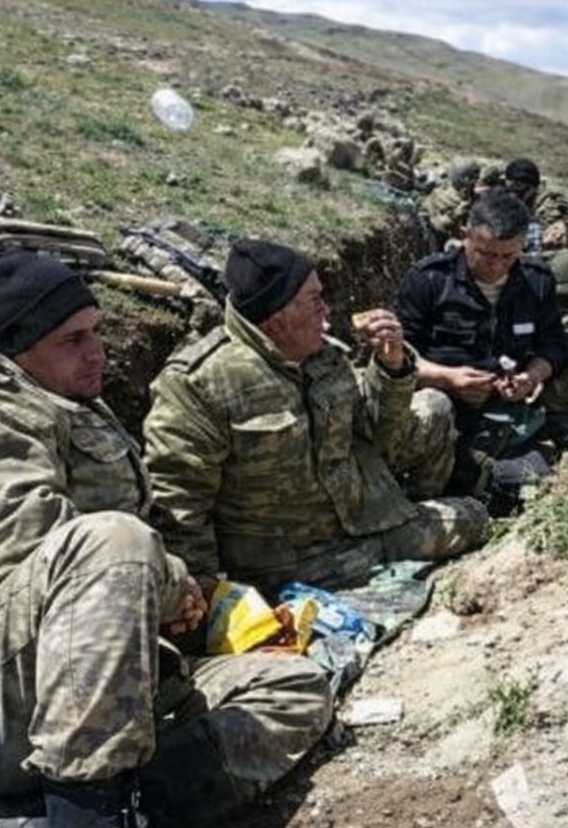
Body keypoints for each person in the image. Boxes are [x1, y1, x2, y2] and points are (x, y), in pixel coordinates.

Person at [0, 252, 333, 828]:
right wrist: (167, 578)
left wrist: (196, 596)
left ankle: (97, 817)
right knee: (113, 541)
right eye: (72, 340)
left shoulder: (66, 399)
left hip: (76, 689)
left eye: (96, 332)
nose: (97, 354)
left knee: (295, 689)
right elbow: (25, 546)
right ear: (17, 347)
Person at [142, 238, 489, 595]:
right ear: (277, 318)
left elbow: (377, 433)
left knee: (473, 513)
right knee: (472, 521)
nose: (326, 310)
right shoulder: (200, 383)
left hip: (360, 523)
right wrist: (205, 589)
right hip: (287, 565)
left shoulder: (322, 355)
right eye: (314, 301)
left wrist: (390, 366)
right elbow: (178, 496)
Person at [393, 188, 568, 513]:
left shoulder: (537, 281)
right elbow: (395, 360)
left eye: (509, 256)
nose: (497, 266)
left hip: (504, 419)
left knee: (530, 488)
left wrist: (529, 377)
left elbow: (554, 347)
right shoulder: (429, 280)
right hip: (437, 416)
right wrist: (447, 379)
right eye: (487, 254)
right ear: (465, 236)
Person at [501, 156, 568, 250]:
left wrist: (564, 227)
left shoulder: (547, 203)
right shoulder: (509, 199)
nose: (513, 195)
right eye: (509, 189)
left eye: (518, 188)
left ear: (532, 188)